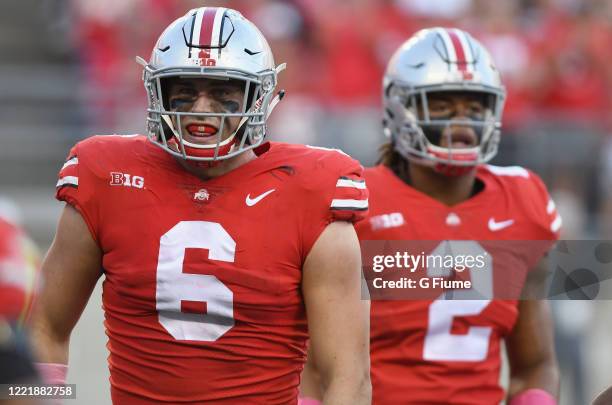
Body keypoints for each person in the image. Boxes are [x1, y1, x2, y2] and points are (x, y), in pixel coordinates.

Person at [30, 7, 371, 404]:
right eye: (185, 90)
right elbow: (44, 330)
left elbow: (348, 376)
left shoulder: (313, 190)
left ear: (258, 96)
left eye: (224, 92)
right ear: (158, 90)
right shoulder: (104, 176)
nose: (201, 110)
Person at [301, 28, 560, 404]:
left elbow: (535, 363)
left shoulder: (522, 200)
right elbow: (313, 365)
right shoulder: (355, 201)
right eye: (441, 106)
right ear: (398, 108)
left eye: (475, 107)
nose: (463, 122)